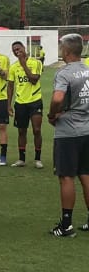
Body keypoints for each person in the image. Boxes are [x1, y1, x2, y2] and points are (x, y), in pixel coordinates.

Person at [47, 33, 89, 237]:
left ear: (67, 50)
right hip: (87, 129)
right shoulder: (88, 71)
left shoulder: (64, 73)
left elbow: (57, 98)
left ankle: (66, 225)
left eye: (61, 47)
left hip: (68, 131)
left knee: (66, 177)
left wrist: (52, 113)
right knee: (86, 175)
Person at [7, 41, 44, 168]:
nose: (17, 52)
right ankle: (21, 159)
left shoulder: (36, 63)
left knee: (37, 130)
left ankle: (38, 159)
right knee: (21, 131)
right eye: (14, 51)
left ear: (24, 48)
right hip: (20, 103)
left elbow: (34, 80)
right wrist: (9, 105)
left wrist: (24, 65)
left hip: (35, 101)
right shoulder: (13, 67)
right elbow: (10, 87)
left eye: (18, 49)